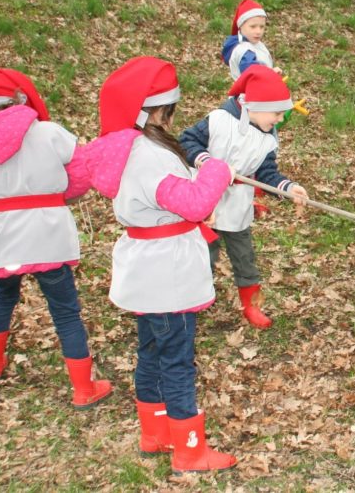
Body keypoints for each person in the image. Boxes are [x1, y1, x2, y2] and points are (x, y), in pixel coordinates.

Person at [84, 56, 236, 472]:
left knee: (151, 350)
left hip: (146, 269)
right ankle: (189, 449)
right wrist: (217, 172)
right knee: (176, 358)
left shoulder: (129, 147)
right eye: (169, 111)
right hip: (167, 272)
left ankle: (154, 434)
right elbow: (194, 203)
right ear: (156, 111)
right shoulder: (150, 155)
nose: (172, 119)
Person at [0, 67, 111, 409]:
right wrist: (58, 198)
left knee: (3, 296)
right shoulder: (48, 133)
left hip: (2, 236)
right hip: (47, 231)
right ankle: (82, 388)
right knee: (64, 310)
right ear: (19, 97)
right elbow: (79, 174)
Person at [179, 65, 308, 330]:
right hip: (205, 206)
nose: (280, 120)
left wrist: (288, 187)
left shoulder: (268, 139)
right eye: (277, 113)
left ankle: (251, 305)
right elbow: (187, 141)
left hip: (237, 207)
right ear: (255, 106)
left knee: (244, 257)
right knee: (204, 256)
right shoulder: (218, 120)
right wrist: (206, 163)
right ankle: (190, 301)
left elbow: (266, 172)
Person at [221, 0, 282, 81]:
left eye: (262, 27)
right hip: (250, 93)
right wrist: (271, 74)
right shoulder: (244, 50)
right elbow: (252, 75)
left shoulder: (255, 44)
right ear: (241, 26)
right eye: (253, 27)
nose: (258, 31)